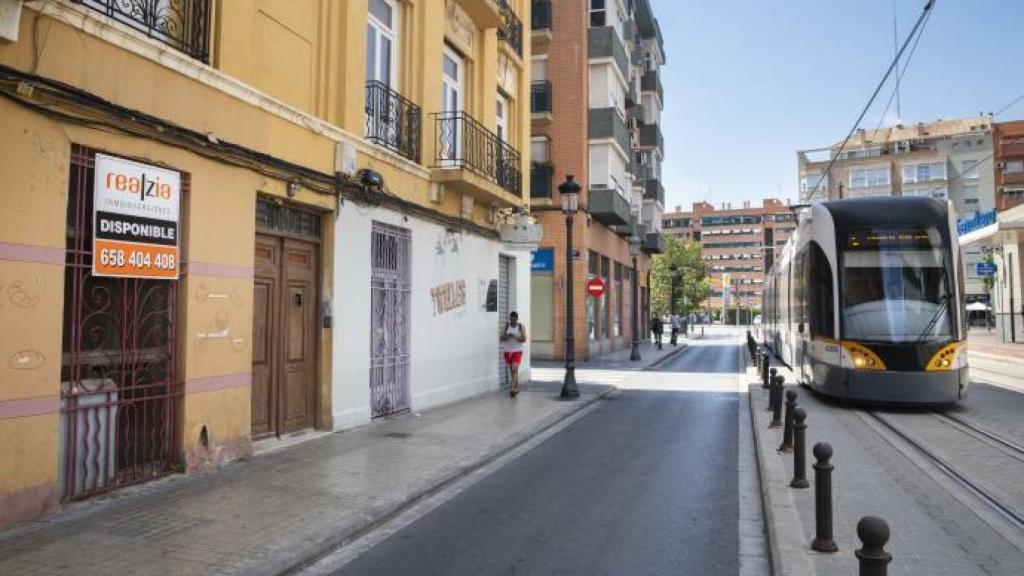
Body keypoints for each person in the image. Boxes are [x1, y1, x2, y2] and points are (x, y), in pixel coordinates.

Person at [500, 311, 527, 397]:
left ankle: (512, 389)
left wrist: (515, 336)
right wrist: (507, 336)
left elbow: (524, 339)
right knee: (512, 370)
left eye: (514, 320)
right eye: (511, 319)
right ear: (509, 318)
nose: (512, 321)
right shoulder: (506, 326)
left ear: (517, 319)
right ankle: (516, 387)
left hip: (517, 351)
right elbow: (501, 338)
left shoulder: (521, 327)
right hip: (507, 351)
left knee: (514, 368)